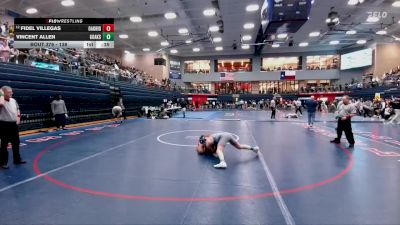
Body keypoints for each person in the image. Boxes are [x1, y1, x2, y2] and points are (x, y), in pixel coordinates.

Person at [0, 86, 26, 169]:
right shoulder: (1, 101)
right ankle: (3, 162)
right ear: (3, 93)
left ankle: (17, 159)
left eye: (11, 91)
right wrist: (1, 94)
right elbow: (1, 104)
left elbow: (18, 109)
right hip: (4, 125)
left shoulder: (14, 100)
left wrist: (18, 118)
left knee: (16, 143)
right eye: (9, 92)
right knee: (4, 144)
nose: (12, 93)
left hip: (13, 125)